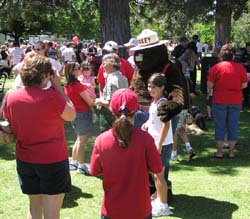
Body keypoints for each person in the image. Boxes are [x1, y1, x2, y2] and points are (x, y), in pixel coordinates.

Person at [3, 52, 76, 219]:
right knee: (52, 213)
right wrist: (58, 87)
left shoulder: (11, 96)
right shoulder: (52, 97)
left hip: (25, 159)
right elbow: (71, 115)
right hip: (53, 160)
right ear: (44, 75)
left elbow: (10, 123)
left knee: (34, 208)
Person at [90, 88, 162, 219]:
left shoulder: (101, 140)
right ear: (137, 109)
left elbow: (94, 170)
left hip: (112, 209)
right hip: (140, 209)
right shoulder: (145, 138)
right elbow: (156, 168)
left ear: (112, 110)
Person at [207, 43, 248, 158]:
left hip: (219, 100)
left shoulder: (216, 68)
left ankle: (219, 152)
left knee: (219, 126)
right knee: (233, 126)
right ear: (234, 55)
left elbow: (210, 85)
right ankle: (231, 152)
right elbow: (244, 85)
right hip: (236, 100)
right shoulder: (240, 67)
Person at [141, 73, 173, 217]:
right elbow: (154, 119)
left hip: (162, 144)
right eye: (149, 86)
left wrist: (159, 144)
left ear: (162, 87)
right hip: (155, 142)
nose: (150, 89)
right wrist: (147, 123)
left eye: (154, 87)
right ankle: (159, 200)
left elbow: (166, 125)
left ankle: (164, 206)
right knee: (156, 175)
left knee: (159, 176)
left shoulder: (163, 103)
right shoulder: (155, 101)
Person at [64, 61, 96, 174]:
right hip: (82, 114)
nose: (81, 69)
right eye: (78, 68)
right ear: (72, 72)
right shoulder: (77, 85)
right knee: (82, 140)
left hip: (75, 113)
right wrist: (96, 101)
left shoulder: (68, 84)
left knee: (79, 138)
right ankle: (82, 166)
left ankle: (74, 162)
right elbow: (90, 102)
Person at [95, 53, 128, 131]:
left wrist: (98, 100)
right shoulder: (123, 78)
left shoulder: (112, 81)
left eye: (104, 63)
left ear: (111, 64)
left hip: (111, 116)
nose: (103, 66)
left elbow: (109, 103)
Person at [240, 42, 250, 108]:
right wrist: (244, 64)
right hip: (246, 73)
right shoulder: (243, 54)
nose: (249, 48)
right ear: (246, 48)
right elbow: (240, 64)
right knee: (246, 88)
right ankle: (245, 102)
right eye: (248, 47)